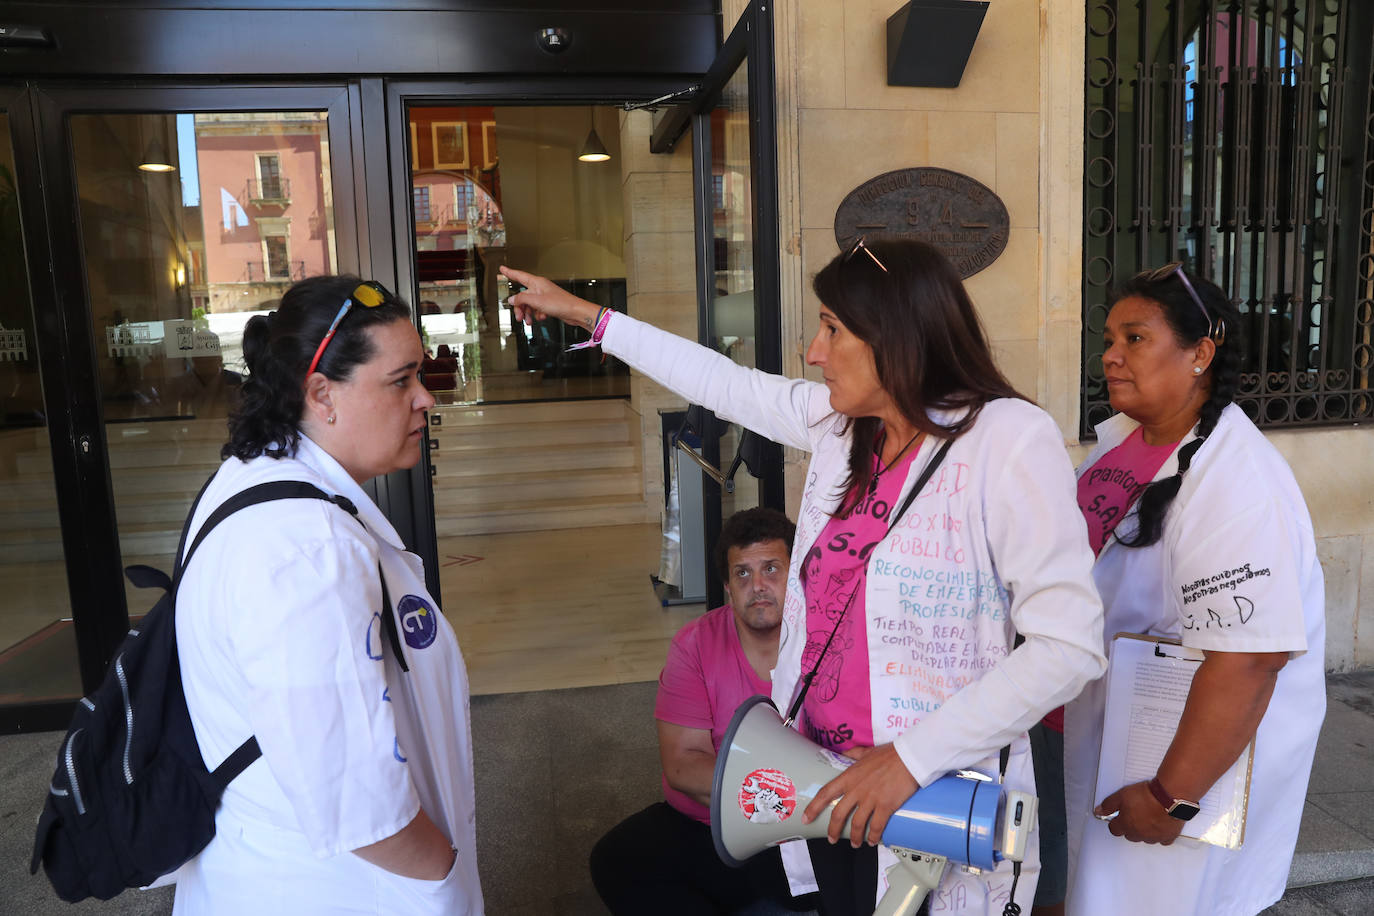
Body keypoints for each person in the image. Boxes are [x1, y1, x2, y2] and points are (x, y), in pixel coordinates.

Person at [502, 237, 1107, 916]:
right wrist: (586, 315)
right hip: (822, 786)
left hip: (926, 794)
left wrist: (908, 758)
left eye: (832, 328)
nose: (814, 351)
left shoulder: (1007, 438)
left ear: (896, 334)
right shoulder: (843, 427)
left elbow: (1069, 645)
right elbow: (719, 383)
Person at [171, 275, 482, 914]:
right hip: (333, 890)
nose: (425, 398)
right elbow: (358, 803)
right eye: (401, 380)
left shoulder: (254, 482)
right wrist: (443, 879)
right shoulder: (303, 548)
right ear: (321, 393)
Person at [1062, 265, 1326, 916]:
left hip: (1172, 765)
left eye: (1135, 338)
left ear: (1200, 354)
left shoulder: (1236, 482)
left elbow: (1248, 658)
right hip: (1104, 732)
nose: (1111, 356)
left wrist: (1169, 798)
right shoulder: (1126, 443)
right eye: (1108, 339)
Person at [589, 507, 819, 915]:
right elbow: (683, 766)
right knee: (617, 859)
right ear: (728, 587)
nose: (758, 586)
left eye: (771, 569)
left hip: (810, 830)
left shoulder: (827, 642)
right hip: (715, 825)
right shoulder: (695, 645)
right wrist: (785, 795)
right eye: (742, 574)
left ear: (796, 575)